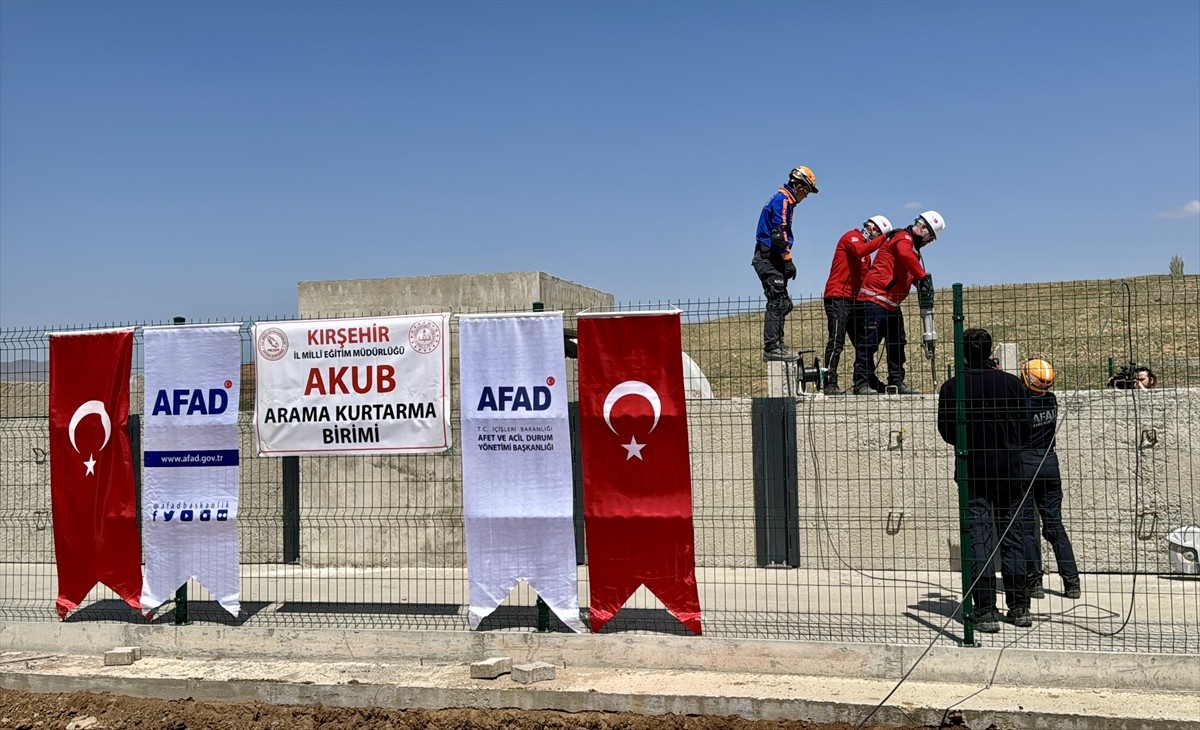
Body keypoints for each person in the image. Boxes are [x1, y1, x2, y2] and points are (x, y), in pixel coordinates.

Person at [937, 327, 1037, 632]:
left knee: (978, 540)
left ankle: (984, 610)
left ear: (963, 353)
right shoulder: (1011, 384)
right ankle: (1019, 607)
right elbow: (1026, 428)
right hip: (1009, 470)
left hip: (973, 472)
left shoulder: (953, 387)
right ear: (990, 351)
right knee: (1013, 538)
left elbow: (947, 431)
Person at [852, 211, 945, 395]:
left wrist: (918, 282)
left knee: (897, 343)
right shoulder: (903, 238)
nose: (930, 241)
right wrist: (922, 276)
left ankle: (896, 381)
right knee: (869, 345)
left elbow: (907, 270)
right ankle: (861, 383)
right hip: (875, 298)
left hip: (890, 304)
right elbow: (904, 255)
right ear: (924, 229)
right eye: (931, 237)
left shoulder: (913, 250)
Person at [1020, 357, 1081, 600]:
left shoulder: (1021, 403)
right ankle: (1072, 582)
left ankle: (1034, 581)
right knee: (1055, 526)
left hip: (1025, 464)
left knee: (1027, 527)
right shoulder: (1052, 400)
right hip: (1049, 464)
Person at [821, 215, 892, 395]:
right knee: (837, 340)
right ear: (873, 229)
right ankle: (829, 382)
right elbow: (860, 250)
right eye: (878, 236)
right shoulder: (851, 238)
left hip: (854, 300)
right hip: (838, 297)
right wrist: (885, 238)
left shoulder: (866, 255)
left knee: (864, 342)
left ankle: (865, 380)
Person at [753, 165, 818, 362]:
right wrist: (788, 260)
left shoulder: (784, 200)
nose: (805, 197)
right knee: (777, 301)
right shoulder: (782, 200)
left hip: (773, 257)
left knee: (784, 304)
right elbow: (778, 236)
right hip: (769, 257)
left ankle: (778, 344)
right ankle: (772, 347)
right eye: (806, 192)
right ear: (799, 186)